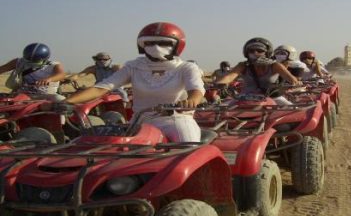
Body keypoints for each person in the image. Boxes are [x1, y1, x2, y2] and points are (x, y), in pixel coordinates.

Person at [59, 22, 205, 142]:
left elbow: (196, 90)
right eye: (149, 43)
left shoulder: (186, 67)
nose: (155, 47)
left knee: (188, 146)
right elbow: (101, 88)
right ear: (142, 45)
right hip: (140, 122)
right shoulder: (133, 66)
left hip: (176, 121)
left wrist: (191, 101)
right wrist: (66, 102)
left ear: (177, 46)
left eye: (163, 43)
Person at [215, 37, 300, 105]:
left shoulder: (274, 65)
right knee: (219, 110)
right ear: (246, 53)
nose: (255, 53)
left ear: (267, 52)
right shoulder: (243, 65)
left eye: (260, 51)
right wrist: (220, 83)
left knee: (294, 111)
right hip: (245, 97)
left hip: (272, 97)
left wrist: (293, 83)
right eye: (251, 51)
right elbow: (230, 76)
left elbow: (291, 79)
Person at [0, 43, 66, 101]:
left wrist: (49, 79)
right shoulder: (20, 62)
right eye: (28, 60)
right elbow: (2, 69)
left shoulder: (54, 65)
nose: (30, 63)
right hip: (24, 94)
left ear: (45, 58)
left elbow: (61, 75)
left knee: (62, 102)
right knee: (11, 103)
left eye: (35, 61)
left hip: (48, 95)